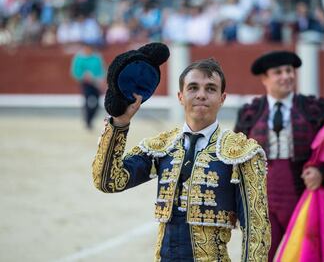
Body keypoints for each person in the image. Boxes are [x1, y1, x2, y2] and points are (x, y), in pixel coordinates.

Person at [92, 57, 271, 261]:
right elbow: (108, 181)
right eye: (193, 88)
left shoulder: (242, 153)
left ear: (222, 98)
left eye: (211, 89)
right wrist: (120, 123)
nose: (201, 95)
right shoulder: (163, 146)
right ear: (180, 96)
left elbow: (256, 229)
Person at [234, 51, 324, 262]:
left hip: (302, 197)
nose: (286, 76)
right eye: (278, 72)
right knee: (259, 256)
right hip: (262, 201)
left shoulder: (314, 108)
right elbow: (236, 155)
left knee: (306, 255)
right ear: (264, 78)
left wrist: (322, 172)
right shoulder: (250, 113)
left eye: (289, 71)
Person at [70, 41, 106, 129]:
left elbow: (102, 70)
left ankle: (90, 120)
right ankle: (87, 121)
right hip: (86, 83)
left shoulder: (96, 57)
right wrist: (82, 76)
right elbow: (75, 72)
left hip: (96, 83)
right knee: (88, 101)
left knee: (96, 103)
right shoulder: (79, 58)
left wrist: (100, 80)